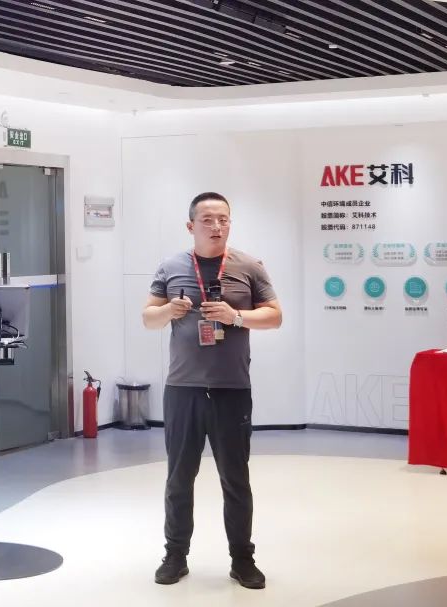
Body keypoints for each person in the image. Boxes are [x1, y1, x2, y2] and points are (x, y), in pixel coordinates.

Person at [142, 192, 282, 589]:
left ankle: (242, 560)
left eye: (223, 219)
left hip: (231, 389)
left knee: (235, 479)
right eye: (207, 219)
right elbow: (149, 318)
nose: (216, 226)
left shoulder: (249, 266)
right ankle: (175, 556)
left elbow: (275, 316)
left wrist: (235, 316)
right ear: (191, 226)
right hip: (182, 389)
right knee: (178, 478)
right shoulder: (171, 266)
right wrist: (168, 310)